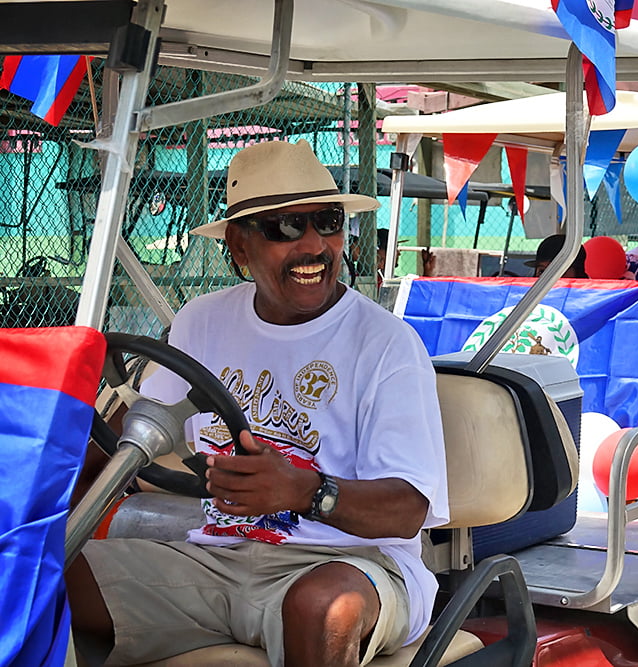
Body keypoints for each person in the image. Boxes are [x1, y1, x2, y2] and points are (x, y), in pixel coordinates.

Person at [67, 140, 449, 667]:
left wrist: (305, 491)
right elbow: (131, 433)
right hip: (214, 558)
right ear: (239, 247)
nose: (314, 245)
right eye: (285, 227)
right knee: (38, 575)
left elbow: (408, 511)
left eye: (328, 222)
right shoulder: (202, 320)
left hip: (351, 562)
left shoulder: (386, 344)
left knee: (323, 607)